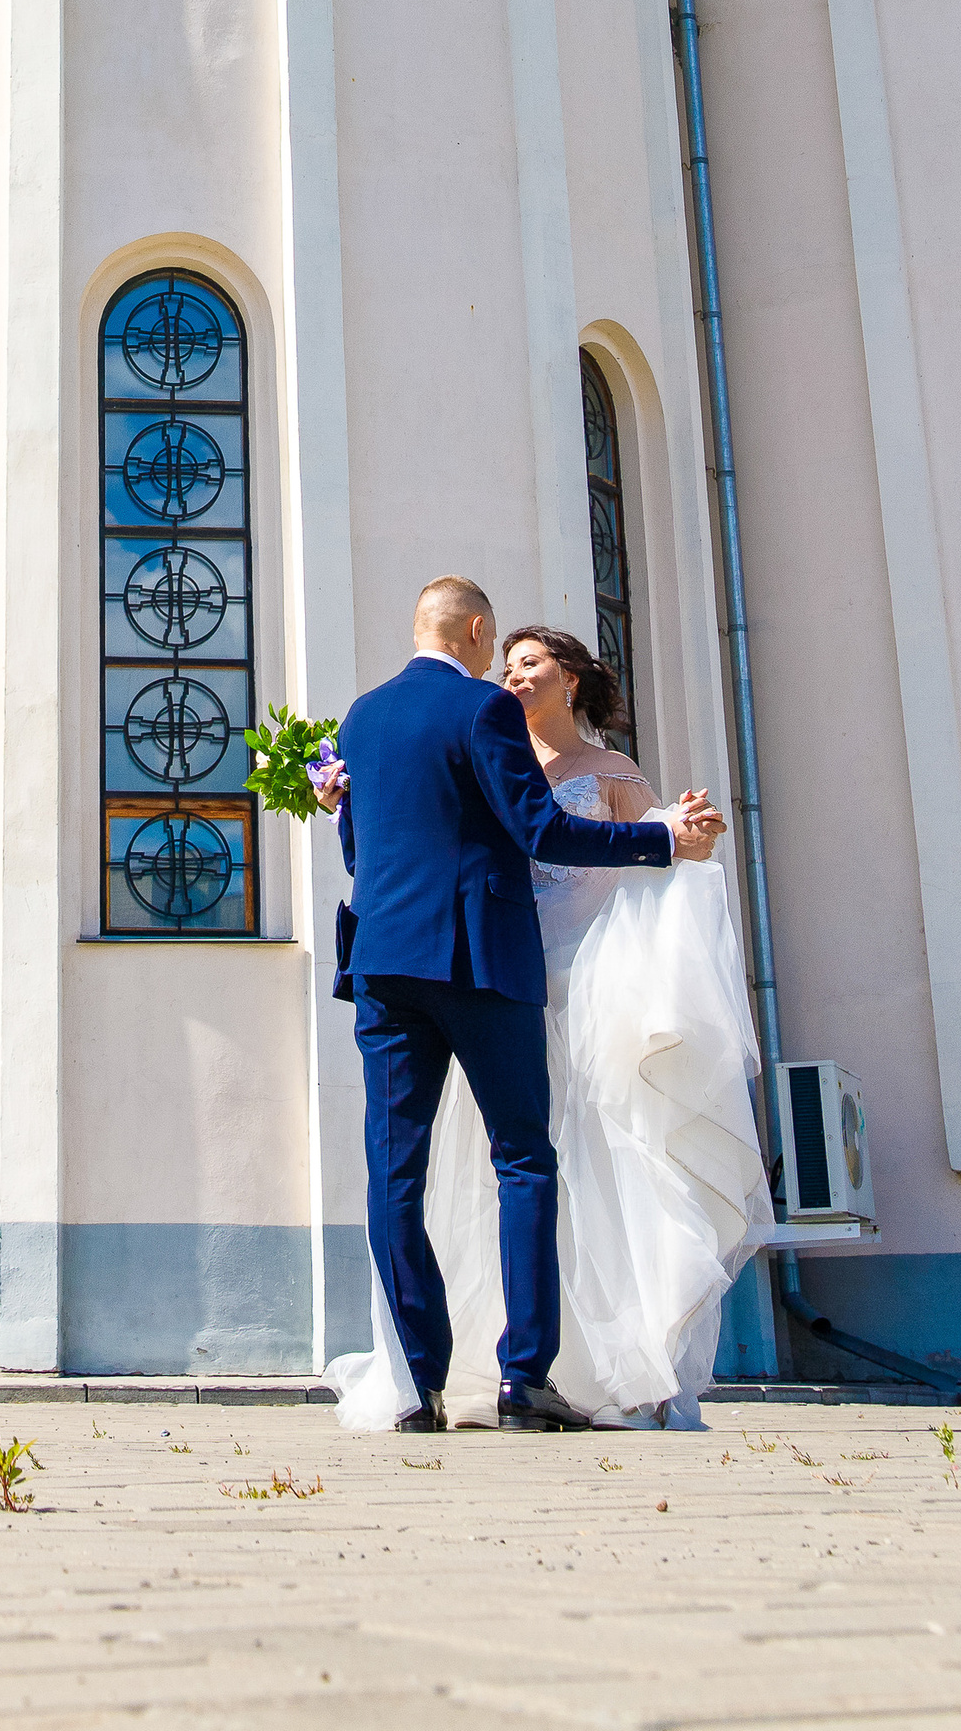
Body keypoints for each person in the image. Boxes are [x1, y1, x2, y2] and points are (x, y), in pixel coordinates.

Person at [314, 574, 727, 1434]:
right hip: (478, 960)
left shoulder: (359, 719)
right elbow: (541, 831)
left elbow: (361, 850)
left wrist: (338, 806)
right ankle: (523, 1378)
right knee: (524, 1161)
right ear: (474, 632)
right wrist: (661, 838)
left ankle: (417, 1384)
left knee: (395, 1172)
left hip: (384, 962)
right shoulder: (483, 710)